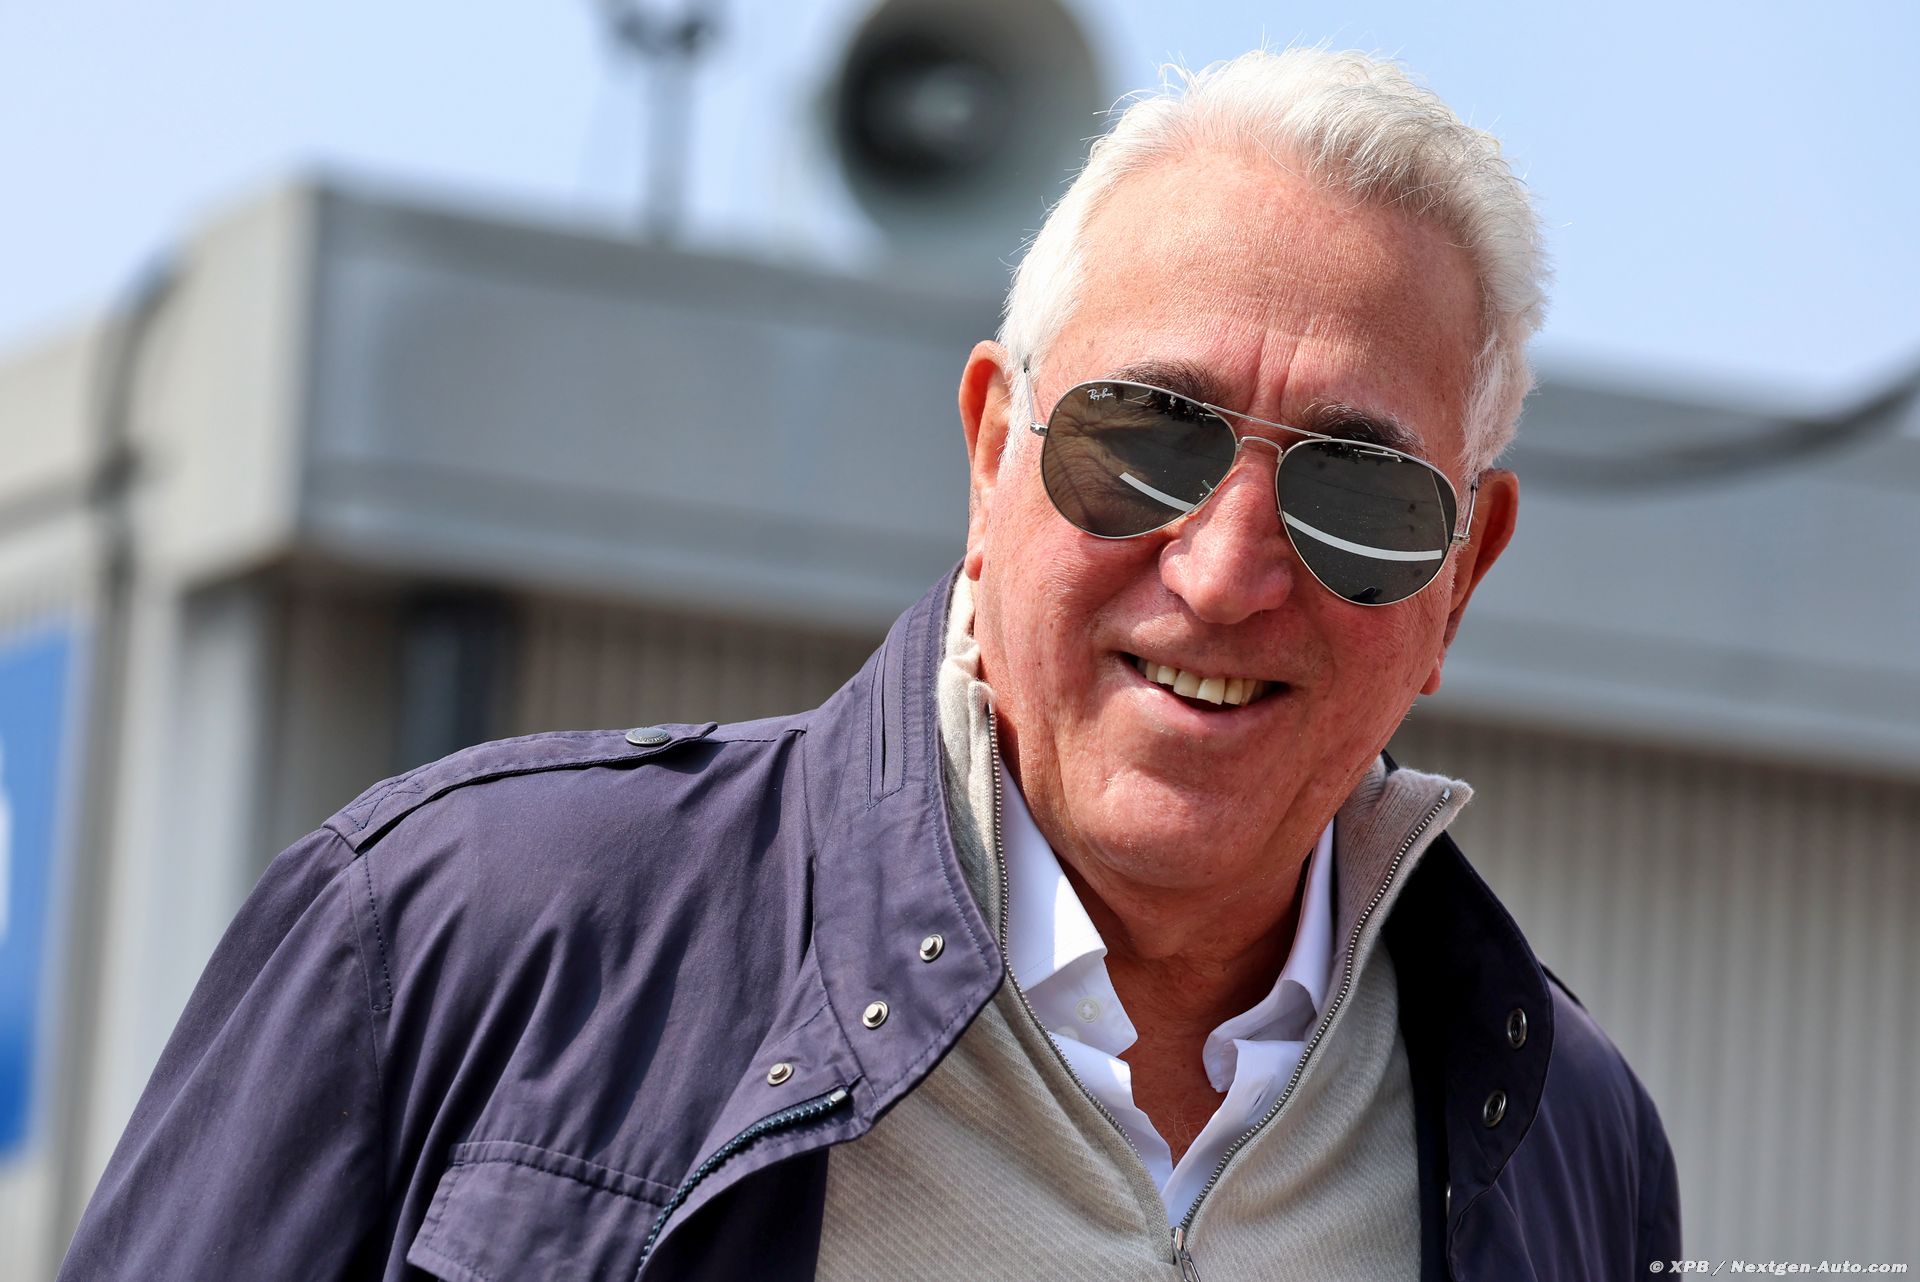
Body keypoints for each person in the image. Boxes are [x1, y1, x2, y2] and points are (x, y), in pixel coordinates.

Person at [61, 48, 1679, 1281]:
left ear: (1461, 580)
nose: (1224, 569)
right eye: (1145, 438)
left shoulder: (1573, 1144)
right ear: (989, 457)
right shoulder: (457, 935)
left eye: (1359, 495)